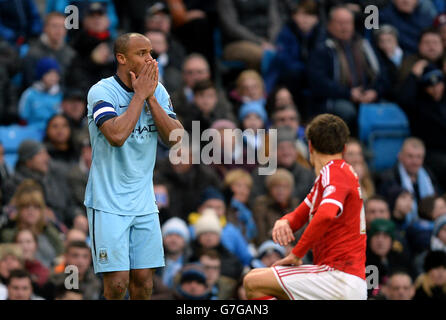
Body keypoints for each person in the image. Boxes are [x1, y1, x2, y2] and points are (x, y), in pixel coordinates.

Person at [84, 32, 183, 300]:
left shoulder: (158, 91)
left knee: (144, 283)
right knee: (117, 285)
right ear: (121, 58)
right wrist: (139, 97)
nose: (150, 59)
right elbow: (116, 136)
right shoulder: (102, 91)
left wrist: (151, 98)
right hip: (107, 202)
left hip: (143, 201)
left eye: (151, 52)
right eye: (142, 53)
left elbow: (176, 139)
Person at [243, 113, 367, 300]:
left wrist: (296, 253)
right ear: (343, 147)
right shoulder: (328, 178)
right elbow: (300, 213)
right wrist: (284, 222)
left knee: (253, 282)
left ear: (309, 146)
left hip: (337, 277)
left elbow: (325, 215)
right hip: (341, 281)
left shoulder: (334, 172)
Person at [307, 5, 384, 131]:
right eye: (340, 23)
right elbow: (318, 82)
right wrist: (348, 93)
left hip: (367, 95)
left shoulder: (364, 45)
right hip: (336, 98)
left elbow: (382, 74)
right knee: (347, 112)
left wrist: (374, 91)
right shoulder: (322, 48)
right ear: (330, 24)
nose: (345, 27)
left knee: (386, 111)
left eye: (348, 23)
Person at [0, 181, 64, 269]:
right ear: (19, 209)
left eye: (36, 206)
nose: (31, 210)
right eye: (26, 206)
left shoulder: (49, 231)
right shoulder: (8, 234)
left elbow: (61, 254)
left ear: (41, 210)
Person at [377, 137, 438, 224]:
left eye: (418, 157)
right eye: (410, 156)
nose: (415, 161)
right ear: (400, 156)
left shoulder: (428, 175)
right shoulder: (387, 178)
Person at [217, 0, 281, 70]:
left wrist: (271, 41)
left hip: (269, 42)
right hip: (237, 42)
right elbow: (231, 27)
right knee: (263, 55)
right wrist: (260, 42)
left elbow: (276, 21)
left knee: (287, 53)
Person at [21, 12, 76, 89]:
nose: (59, 30)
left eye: (63, 26)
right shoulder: (32, 53)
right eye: (54, 26)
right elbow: (28, 82)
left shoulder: (71, 54)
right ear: (45, 28)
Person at [252, 168, 300, 246]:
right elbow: (261, 236)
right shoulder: (261, 206)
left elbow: (302, 233)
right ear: (269, 188)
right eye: (276, 186)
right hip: (270, 248)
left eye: (285, 187)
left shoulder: (295, 205)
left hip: (293, 248)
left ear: (291, 190)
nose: (280, 191)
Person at [18, 57, 63, 130]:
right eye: (49, 74)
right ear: (41, 75)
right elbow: (23, 117)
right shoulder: (30, 94)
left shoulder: (59, 94)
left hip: (54, 132)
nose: (53, 77)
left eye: (55, 74)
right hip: (33, 131)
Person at [159, 217, 190, 289]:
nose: (173, 239)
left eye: (178, 236)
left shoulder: (191, 262)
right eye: (169, 235)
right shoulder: (154, 264)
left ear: (185, 241)